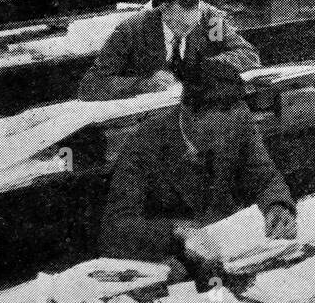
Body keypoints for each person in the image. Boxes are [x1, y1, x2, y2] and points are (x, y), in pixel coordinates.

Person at [98, 57, 295, 265]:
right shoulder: (147, 140)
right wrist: (176, 232)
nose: (223, 142)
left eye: (229, 133)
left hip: (230, 249)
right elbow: (115, 226)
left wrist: (277, 206)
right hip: (172, 259)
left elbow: (266, 178)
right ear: (188, 112)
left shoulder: (238, 120)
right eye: (212, 134)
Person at [78, 0, 260, 101]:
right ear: (164, 10)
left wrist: (206, 68)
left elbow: (247, 54)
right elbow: (90, 85)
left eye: (191, 25)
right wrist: (142, 83)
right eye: (179, 25)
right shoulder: (132, 31)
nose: (185, 31)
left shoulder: (209, 19)